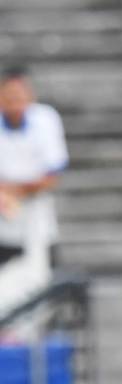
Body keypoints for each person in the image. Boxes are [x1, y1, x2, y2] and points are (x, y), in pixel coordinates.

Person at [0, 67, 68, 311]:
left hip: (37, 217)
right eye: (8, 98)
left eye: (19, 98)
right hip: (4, 220)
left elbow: (52, 173)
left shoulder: (45, 120)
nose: (14, 105)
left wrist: (14, 190)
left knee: (43, 280)